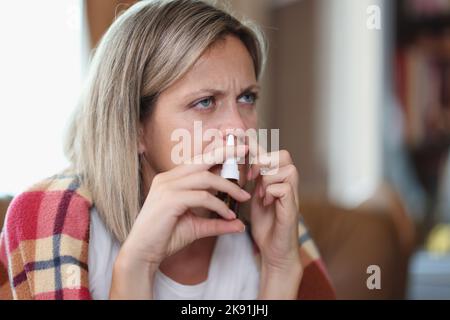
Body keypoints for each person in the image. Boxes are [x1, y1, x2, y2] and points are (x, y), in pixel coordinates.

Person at [0, 0, 335, 300]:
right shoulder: (51, 220)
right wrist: (135, 267)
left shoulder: (270, 217)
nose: (238, 128)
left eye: (247, 98)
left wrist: (280, 267)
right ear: (134, 128)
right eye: (205, 102)